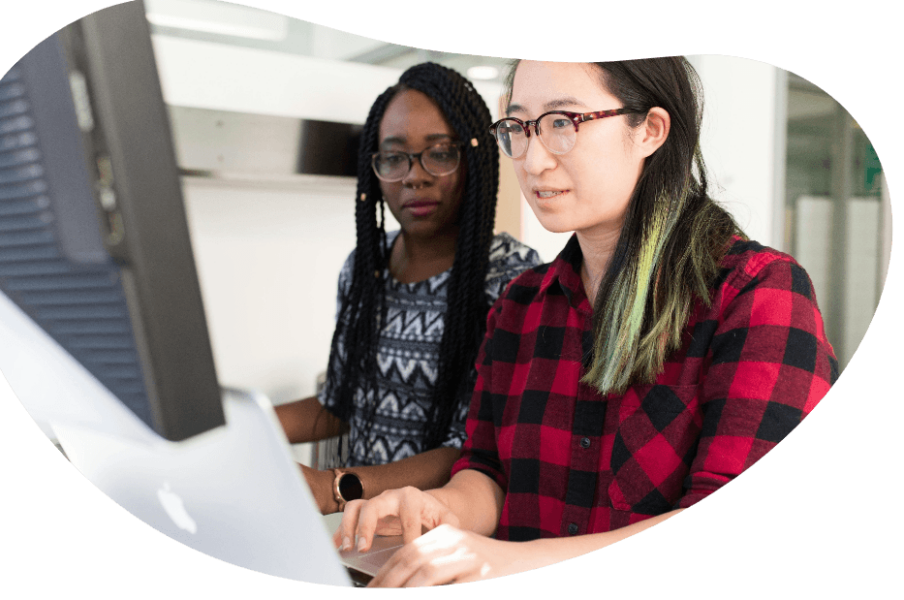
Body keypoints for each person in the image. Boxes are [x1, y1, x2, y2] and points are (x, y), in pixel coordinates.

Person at [336, 58, 838, 587]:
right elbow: (486, 472)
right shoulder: (521, 304)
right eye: (519, 127)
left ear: (649, 130)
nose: (532, 160)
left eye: (562, 123)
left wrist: (505, 559)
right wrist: (438, 511)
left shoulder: (758, 294)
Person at [274, 62, 541, 515]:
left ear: (473, 158)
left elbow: (477, 447)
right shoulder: (365, 267)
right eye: (395, 158)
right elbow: (340, 403)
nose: (414, 176)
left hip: (447, 537)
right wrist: (239, 424)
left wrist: (335, 487)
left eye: (439, 153)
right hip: (361, 535)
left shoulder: (512, 278)